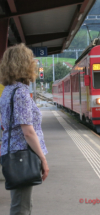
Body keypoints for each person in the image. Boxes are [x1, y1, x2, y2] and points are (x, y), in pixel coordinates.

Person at [0, 43, 49, 215]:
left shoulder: (8, 91)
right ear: (23, 64)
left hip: (13, 154)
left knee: (21, 204)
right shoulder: (20, 92)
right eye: (31, 61)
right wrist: (43, 159)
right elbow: (27, 131)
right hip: (22, 155)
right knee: (21, 208)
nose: (33, 64)